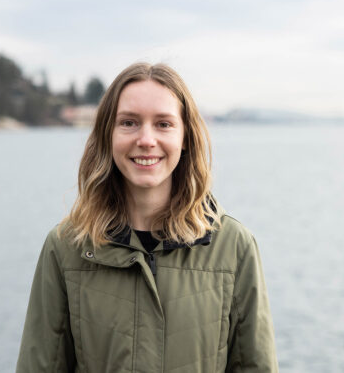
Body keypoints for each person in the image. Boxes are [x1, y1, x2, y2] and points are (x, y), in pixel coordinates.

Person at [16, 62, 277, 372]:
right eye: (129, 122)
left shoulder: (234, 247)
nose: (146, 139)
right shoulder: (65, 248)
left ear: (185, 137)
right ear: (107, 135)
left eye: (164, 124)